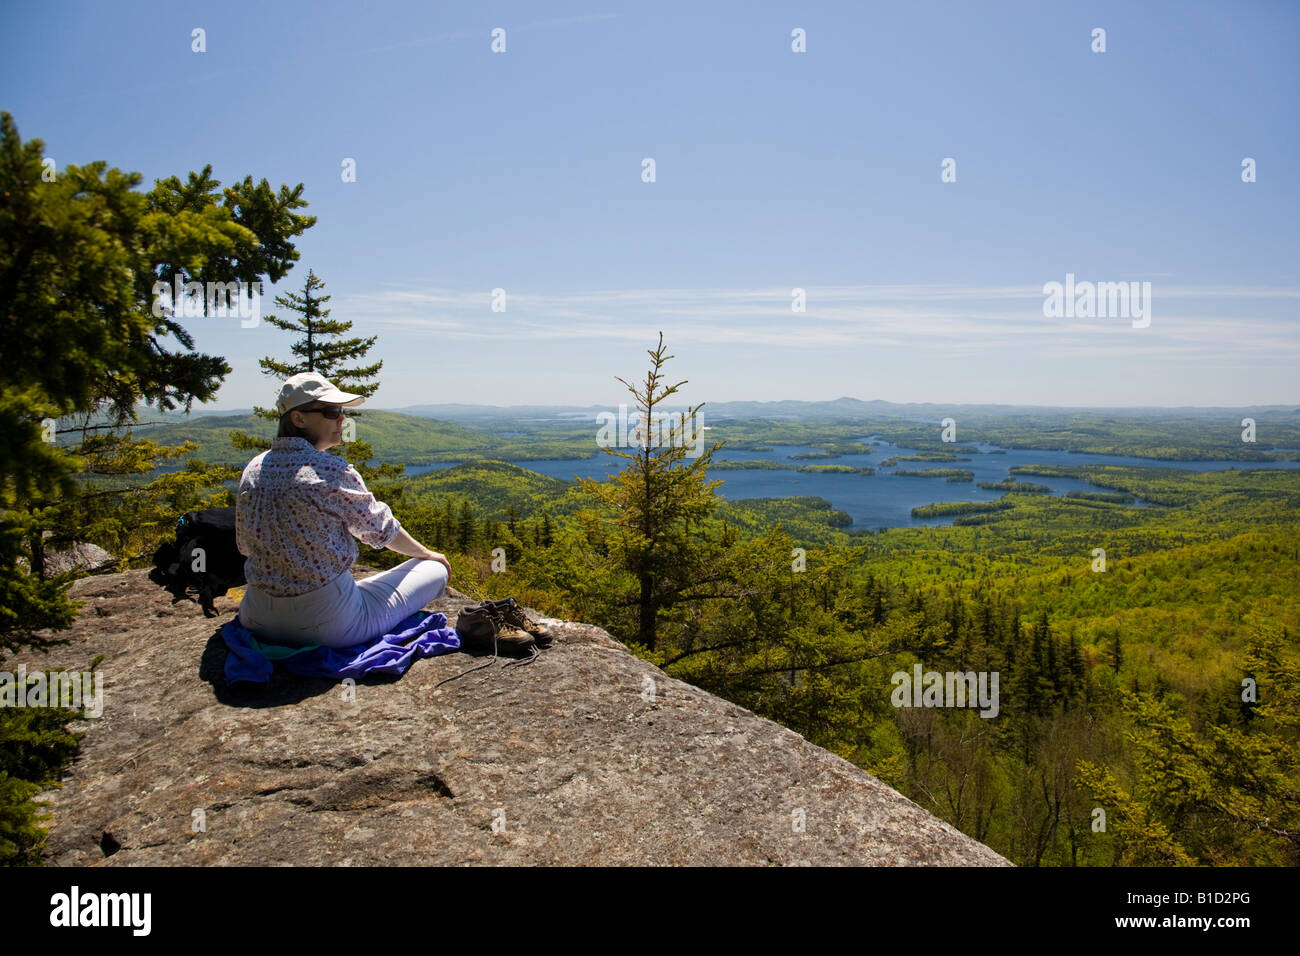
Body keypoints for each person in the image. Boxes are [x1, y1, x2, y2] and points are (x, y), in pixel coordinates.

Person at [234, 371, 452, 648]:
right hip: (327, 625)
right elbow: (382, 531)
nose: (341, 419)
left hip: (255, 617)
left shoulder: (253, 469)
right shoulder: (331, 471)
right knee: (434, 570)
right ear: (298, 419)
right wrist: (428, 554)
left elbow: (244, 546)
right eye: (331, 411)